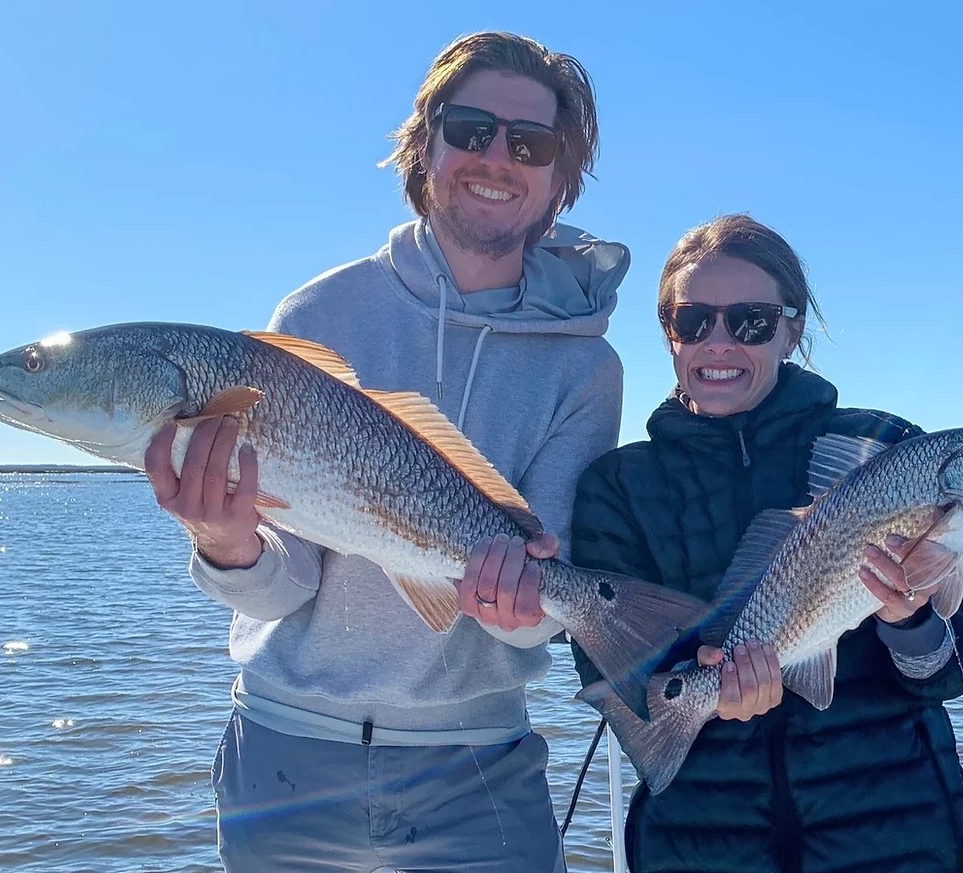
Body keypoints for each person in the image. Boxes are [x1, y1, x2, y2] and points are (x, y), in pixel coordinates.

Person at [143, 32, 628, 873]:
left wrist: (525, 610)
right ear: (425, 140)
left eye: (530, 143)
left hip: (476, 770)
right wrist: (226, 546)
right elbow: (283, 581)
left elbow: (544, 596)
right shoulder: (317, 313)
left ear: (559, 179)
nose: (496, 157)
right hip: (284, 758)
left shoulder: (586, 365)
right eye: (470, 128)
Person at [570, 214, 963, 873]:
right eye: (691, 320)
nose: (718, 342)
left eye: (749, 322)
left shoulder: (888, 448)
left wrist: (908, 618)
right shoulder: (621, 484)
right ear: (666, 331)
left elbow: (960, 666)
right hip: (701, 842)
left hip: (896, 838)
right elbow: (612, 673)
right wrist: (697, 684)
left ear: (791, 329)